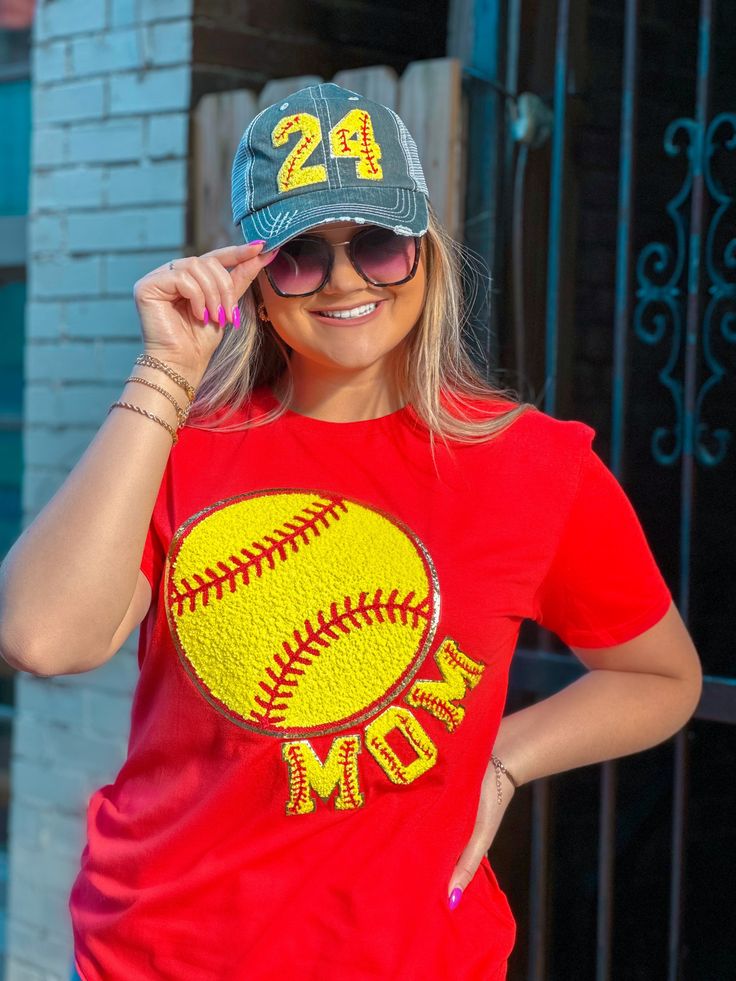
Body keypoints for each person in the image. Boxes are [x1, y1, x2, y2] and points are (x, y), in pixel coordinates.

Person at [0, 83, 702, 981]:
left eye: (378, 243)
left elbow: (661, 677)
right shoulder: (176, 450)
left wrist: (505, 761)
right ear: (251, 282)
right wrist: (166, 370)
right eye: (298, 255)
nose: (344, 280)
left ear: (426, 256)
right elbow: (41, 634)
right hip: (156, 954)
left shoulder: (535, 466)